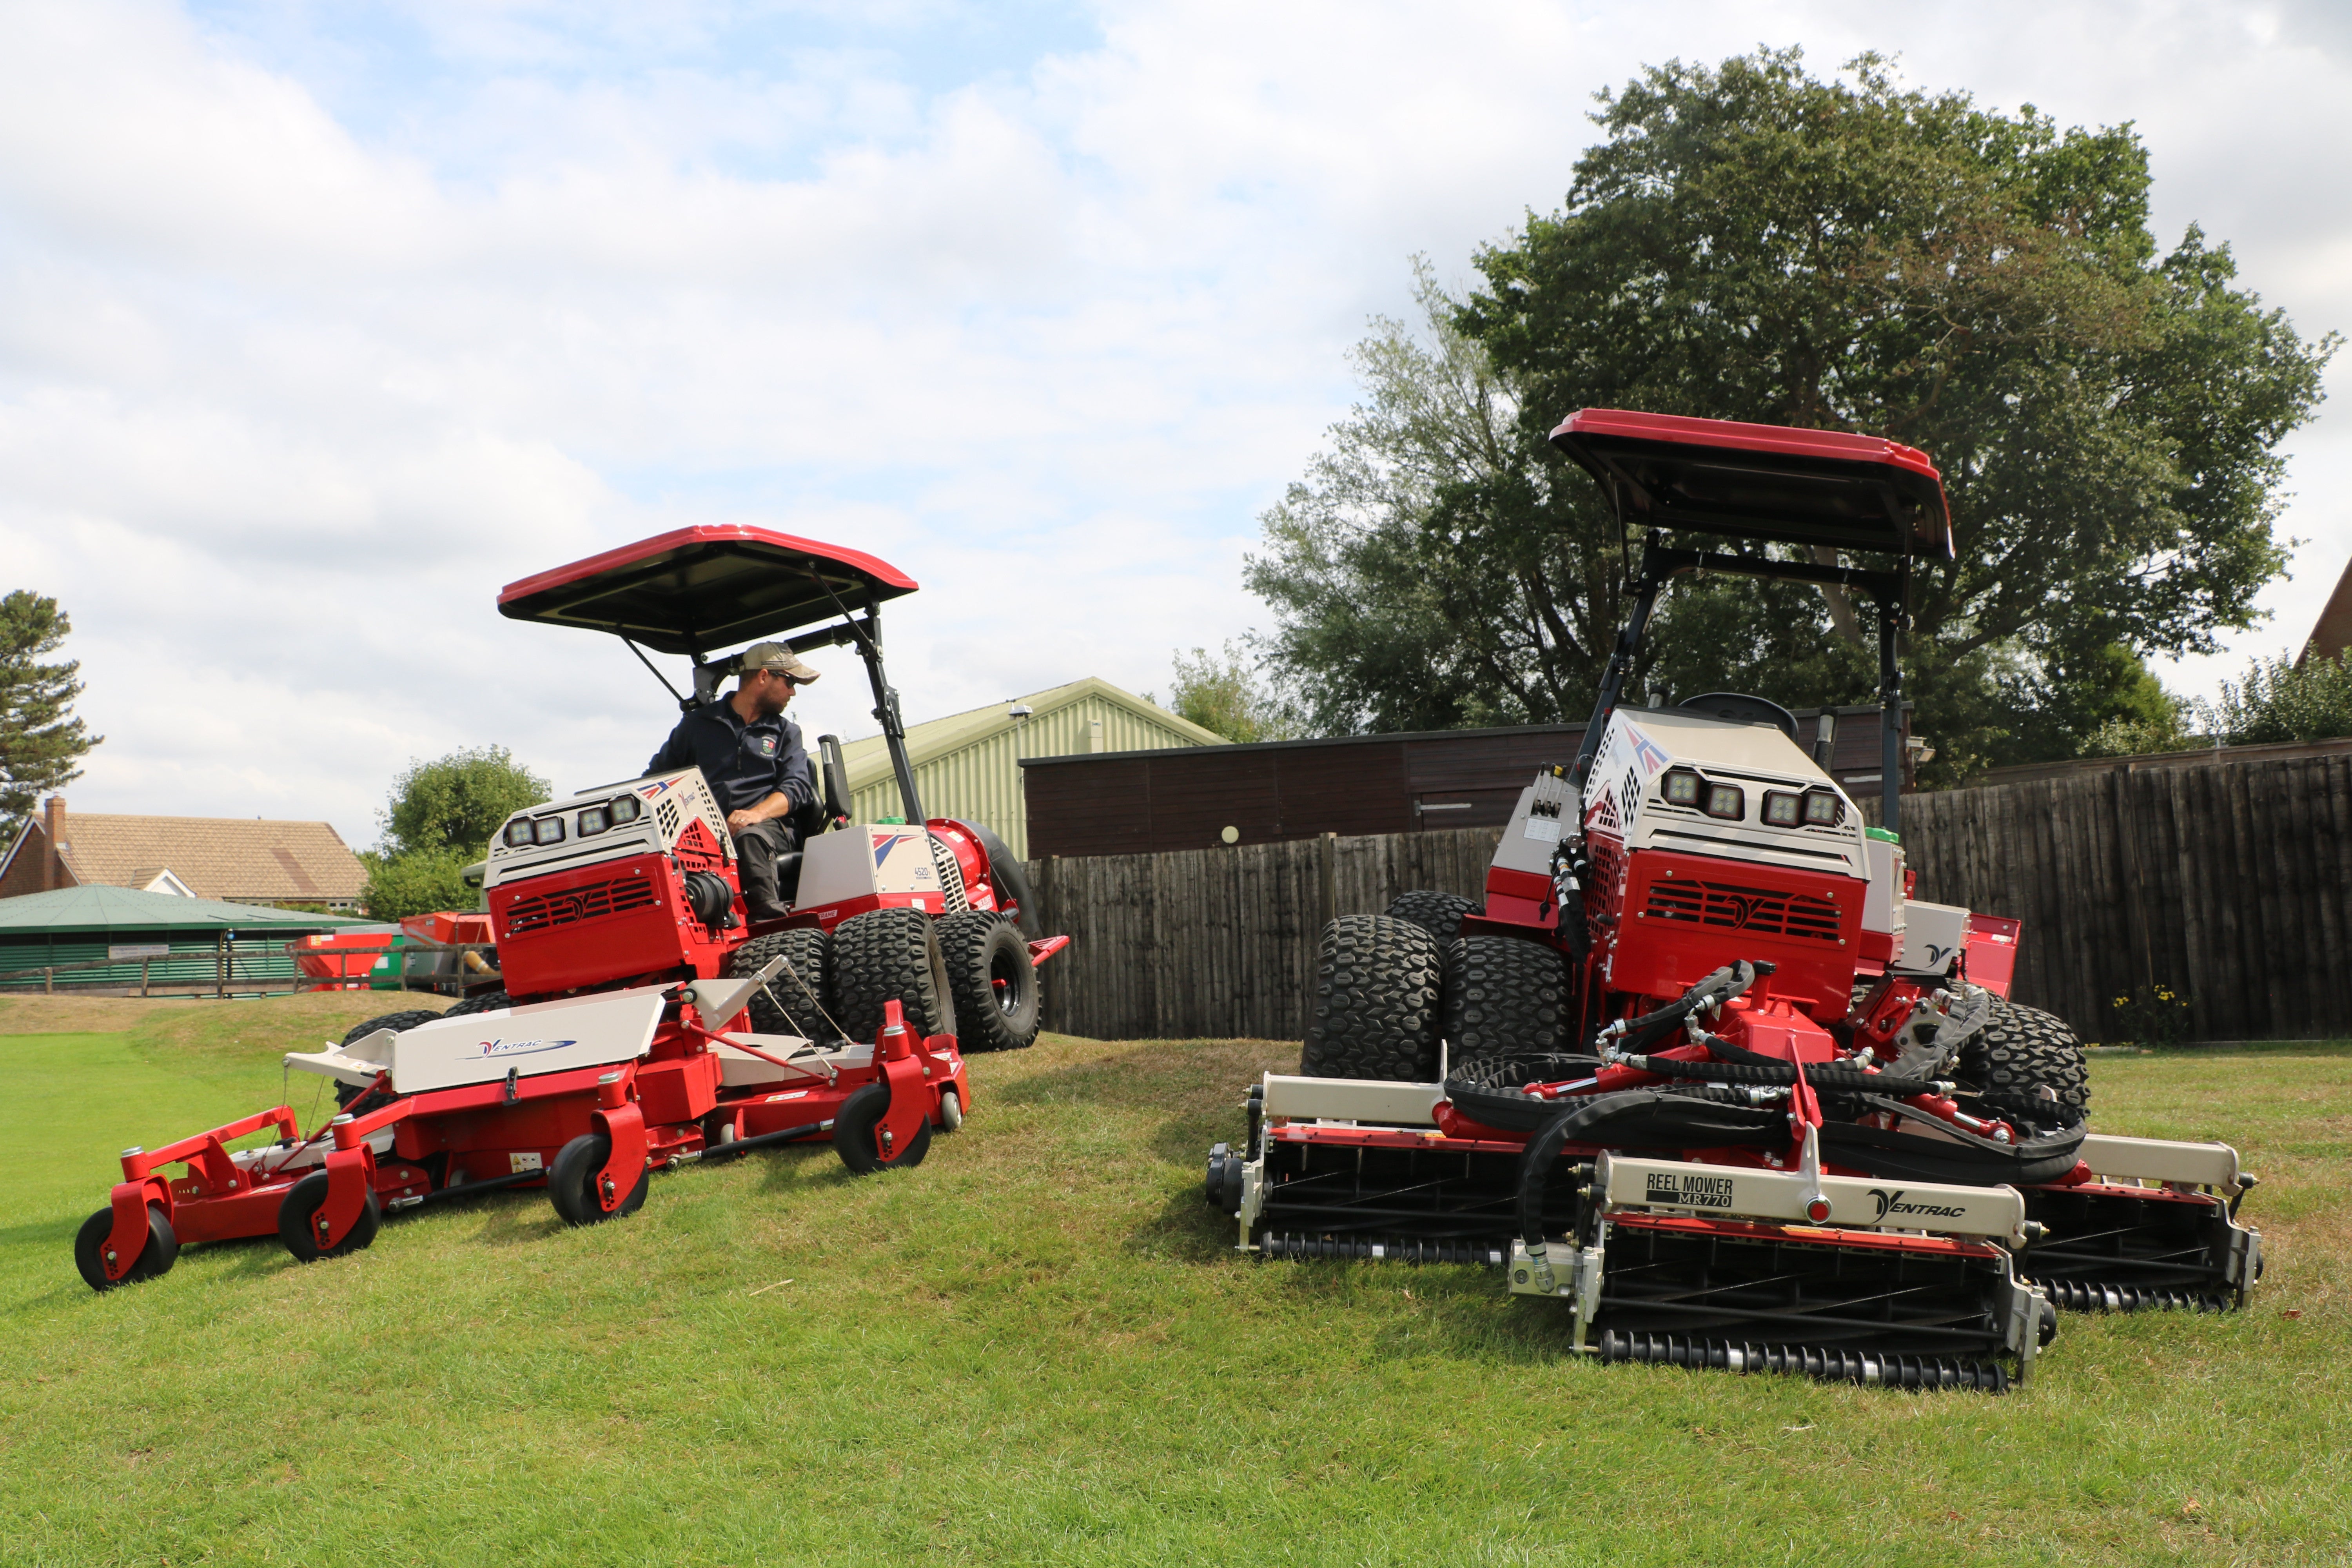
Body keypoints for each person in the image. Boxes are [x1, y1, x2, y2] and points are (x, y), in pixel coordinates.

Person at [646, 642, 819, 921]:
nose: (792, 691)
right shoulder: (697, 725)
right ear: (764, 677)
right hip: (705, 834)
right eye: (789, 681)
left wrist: (755, 814)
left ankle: (770, 924)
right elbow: (655, 781)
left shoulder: (786, 732)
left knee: (750, 837)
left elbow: (796, 788)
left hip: (768, 830)